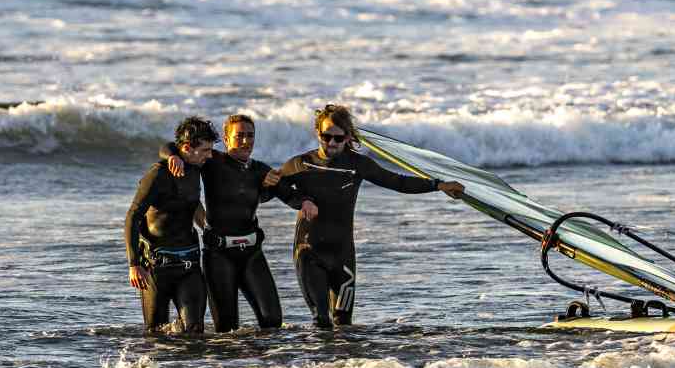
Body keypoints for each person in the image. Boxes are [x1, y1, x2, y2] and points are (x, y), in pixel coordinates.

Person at [279, 104, 465, 328]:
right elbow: (271, 188)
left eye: (339, 138)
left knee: (344, 324)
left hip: (342, 254)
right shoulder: (299, 164)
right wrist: (301, 201)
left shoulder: (358, 164)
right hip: (308, 252)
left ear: (348, 137)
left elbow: (398, 181)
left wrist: (438, 185)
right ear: (318, 132)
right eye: (326, 136)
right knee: (321, 321)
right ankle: (317, 363)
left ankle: (342, 364)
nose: (331, 143)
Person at [161, 114, 317, 332]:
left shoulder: (260, 170)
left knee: (272, 321)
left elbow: (288, 194)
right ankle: (232, 365)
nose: (246, 141)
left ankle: (264, 364)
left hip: (252, 253)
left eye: (250, 135)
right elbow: (169, 146)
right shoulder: (212, 161)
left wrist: (305, 202)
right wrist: (172, 157)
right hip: (218, 254)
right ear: (226, 139)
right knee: (226, 328)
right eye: (240, 136)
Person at [125, 116, 215, 334]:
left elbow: (192, 204)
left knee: (194, 332)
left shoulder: (197, 167)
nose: (209, 155)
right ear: (187, 147)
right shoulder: (157, 175)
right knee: (156, 335)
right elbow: (132, 217)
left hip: (189, 264)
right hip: (156, 267)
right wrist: (133, 264)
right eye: (205, 150)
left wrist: (210, 229)